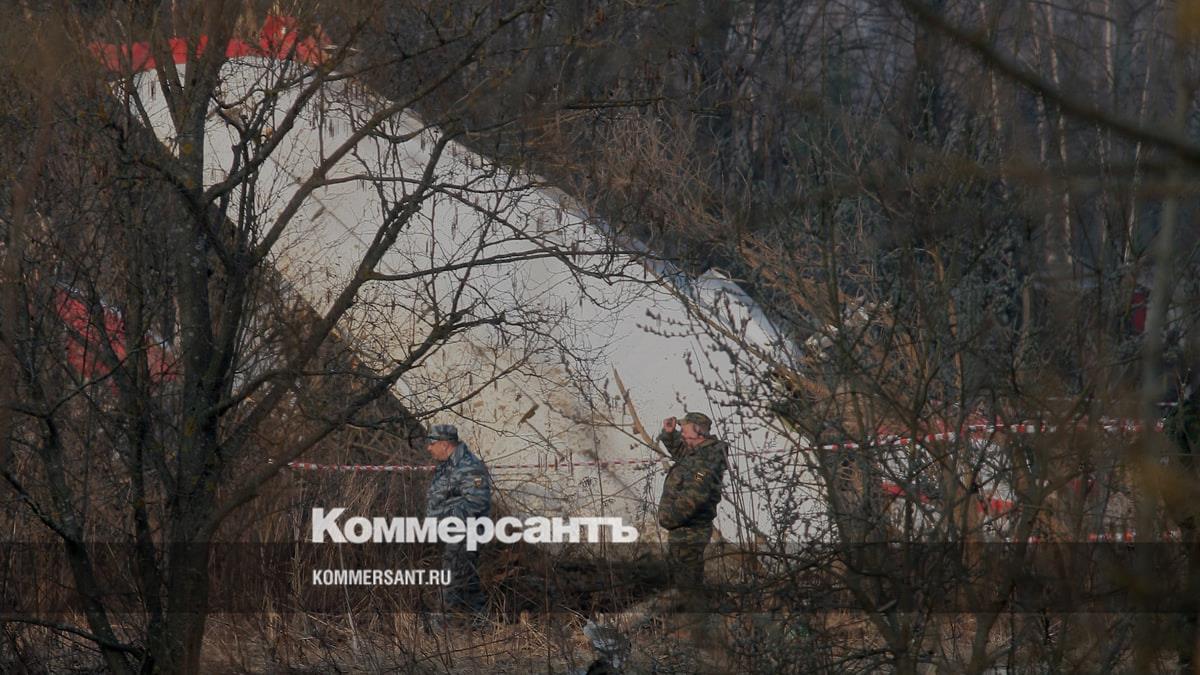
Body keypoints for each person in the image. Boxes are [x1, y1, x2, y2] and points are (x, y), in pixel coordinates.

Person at [424, 423, 492, 619]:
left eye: (432, 443)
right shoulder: (448, 465)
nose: (428, 448)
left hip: (465, 533)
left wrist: (445, 519)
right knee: (467, 582)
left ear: (444, 444)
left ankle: (440, 626)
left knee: (451, 579)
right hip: (454, 533)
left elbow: (477, 502)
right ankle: (481, 623)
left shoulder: (469, 466)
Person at [657, 412, 727, 592]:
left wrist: (668, 519)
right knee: (681, 581)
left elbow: (694, 496)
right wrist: (669, 434)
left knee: (687, 586)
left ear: (698, 431)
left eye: (684, 430)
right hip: (683, 529)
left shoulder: (707, 460)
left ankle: (693, 609)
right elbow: (681, 452)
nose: (681, 433)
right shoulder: (698, 451)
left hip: (690, 531)